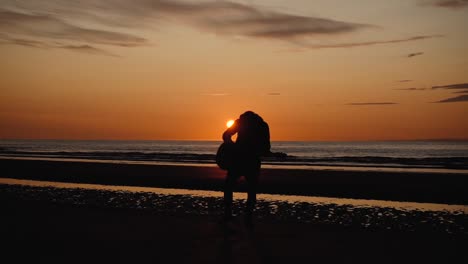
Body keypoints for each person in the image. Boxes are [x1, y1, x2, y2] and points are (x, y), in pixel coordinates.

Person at [221, 111, 273, 226]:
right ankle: (248, 214)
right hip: (252, 160)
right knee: (252, 188)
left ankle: (228, 212)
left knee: (229, 185)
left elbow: (226, 135)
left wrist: (231, 146)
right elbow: (266, 147)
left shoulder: (240, 123)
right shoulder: (263, 125)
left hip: (238, 159)